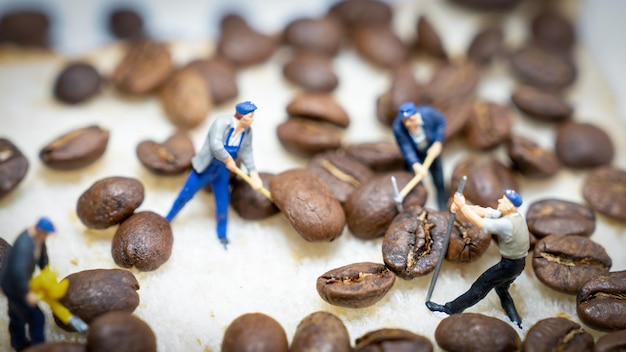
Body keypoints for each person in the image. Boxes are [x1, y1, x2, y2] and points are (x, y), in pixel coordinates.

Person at [425, 189, 530, 328]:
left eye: (504, 200)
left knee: (480, 287)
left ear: (510, 206)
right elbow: (484, 211)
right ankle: (516, 320)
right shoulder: (513, 216)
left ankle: (449, 309)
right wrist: (463, 207)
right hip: (518, 264)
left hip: (509, 265)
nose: (500, 200)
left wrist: (462, 207)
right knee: (502, 289)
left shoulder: (507, 224)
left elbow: (481, 224)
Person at [165, 101, 262, 249]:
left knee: (223, 204)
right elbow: (215, 145)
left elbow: (247, 152)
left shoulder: (247, 132)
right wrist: (229, 159)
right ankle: (167, 219)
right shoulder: (221, 123)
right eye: (250, 117)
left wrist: (254, 174)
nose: (252, 120)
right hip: (204, 168)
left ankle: (221, 235)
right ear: (240, 116)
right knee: (185, 195)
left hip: (221, 173)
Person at [1, 217, 55, 351]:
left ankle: (18, 343)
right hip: (15, 287)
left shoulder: (39, 239)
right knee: (37, 317)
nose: (48, 236)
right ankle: (39, 348)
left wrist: (46, 271)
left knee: (16, 317)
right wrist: (27, 293)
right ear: (39, 230)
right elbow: (18, 272)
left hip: (16, 285)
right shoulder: (24, 245)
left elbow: (43, 256)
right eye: (47, 233)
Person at [392, 102, 447, 210]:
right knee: (417, 182)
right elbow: (406, 147)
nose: (408, 124)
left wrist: (438, 142)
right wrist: (415, 163)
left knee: (439, 180)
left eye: (411, 120)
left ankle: (443, 206)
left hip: (431, 151)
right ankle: (419, 207)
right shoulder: (398, 127)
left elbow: (441, 122)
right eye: (405, 121)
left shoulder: (428, 113)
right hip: (416, 154)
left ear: (417, 115)